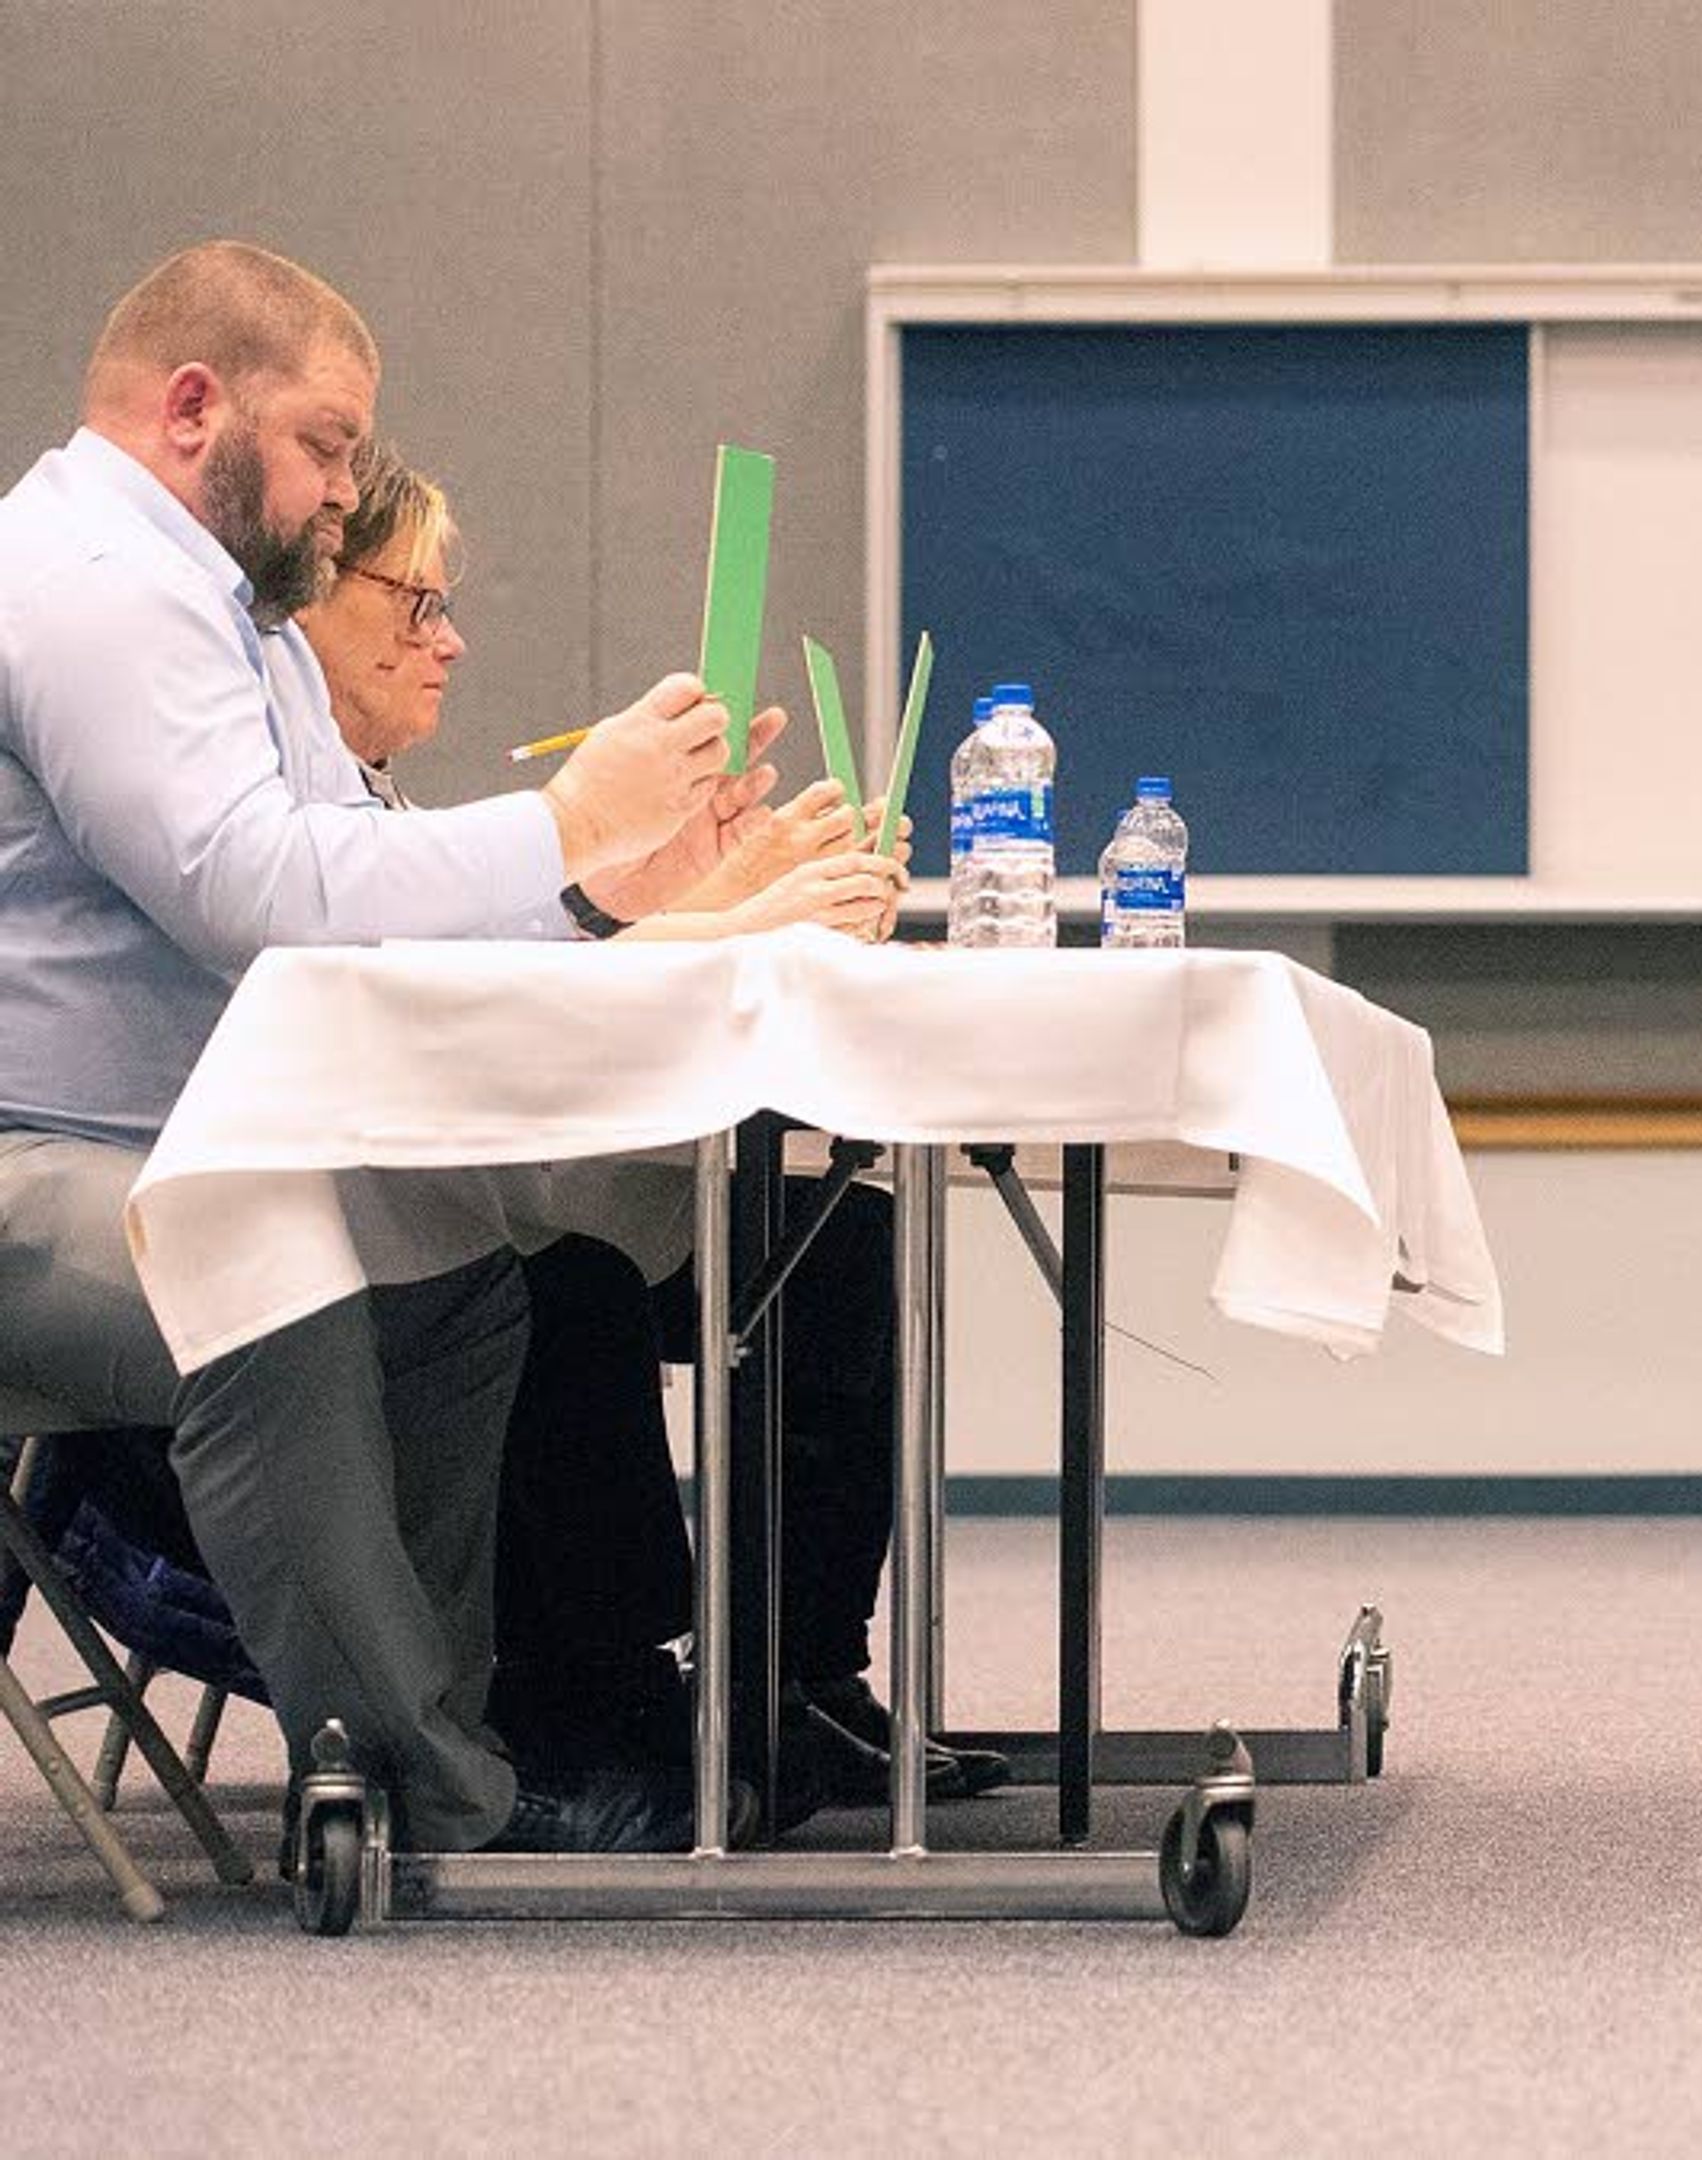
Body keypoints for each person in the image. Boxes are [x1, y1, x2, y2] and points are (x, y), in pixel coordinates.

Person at [0, 241, 788, 1852]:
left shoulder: (237, 619)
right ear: (194, 407)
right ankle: (418, 1790)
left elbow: (362, 904)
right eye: (329, 447)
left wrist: (596, 884)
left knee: (447, 1264)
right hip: (37, 1156)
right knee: (257, 1246)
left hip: (170, 1139)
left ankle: (443, 1745)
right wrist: (561, 821)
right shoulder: (82, 587)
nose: (343, 495)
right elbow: (258, 895)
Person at [295, 445, 996, 1802]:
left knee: (836, 1254)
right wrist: (732, 918)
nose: (451, 640)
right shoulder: (298, 816)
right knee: (577, 1297)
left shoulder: (380, 807)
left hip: (503, 1176)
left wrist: (712, 889)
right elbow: (468, 1001)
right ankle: (597, 1707)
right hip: (414, 1215)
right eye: (418, 606)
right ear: (312, 603)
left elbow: (528, 963)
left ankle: (786, 1682)